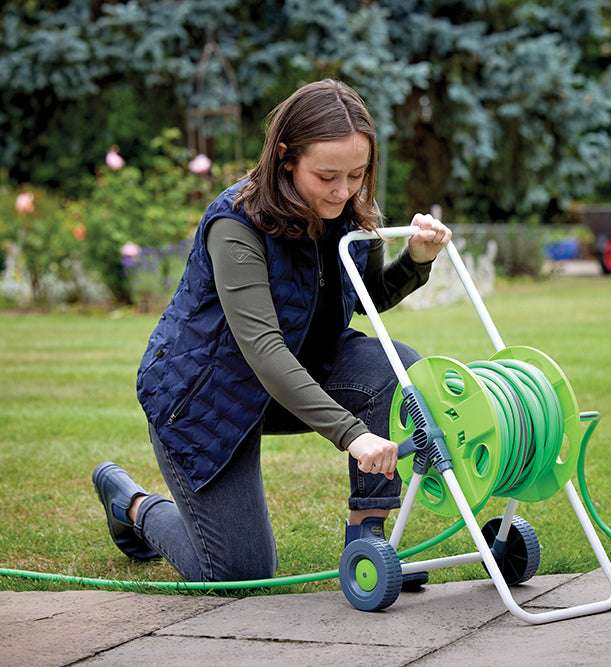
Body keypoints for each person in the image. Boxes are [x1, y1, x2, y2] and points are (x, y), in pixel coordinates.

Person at [92, 79, 451, 587]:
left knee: (392, 367)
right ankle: (132, 504)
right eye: (326, 175)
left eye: (356, 174)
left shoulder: (349, 210)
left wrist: (417, 261)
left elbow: (368, 294)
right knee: (238, 571)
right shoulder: (236, 223)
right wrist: (352, 434)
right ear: (285, 157)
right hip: (205, 397)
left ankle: (369, 545)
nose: (343, 190)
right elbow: (262, 349)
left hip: (295, 376)